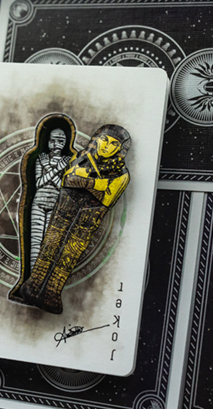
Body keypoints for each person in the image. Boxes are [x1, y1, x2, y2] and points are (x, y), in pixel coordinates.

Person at [19, 124, 131, 314]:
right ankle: (34, 285)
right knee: (50, 244)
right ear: (96, 140)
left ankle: (52, 293)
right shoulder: (81, 157)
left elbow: (107, 199)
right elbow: (69, 180)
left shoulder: (122, 174)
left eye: (113, 144)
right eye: (104, 140)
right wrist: (99, 185)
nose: (106, 146)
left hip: (89, 217)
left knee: (70, 254)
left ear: (121, 149)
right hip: (65, 207)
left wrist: (85, 182)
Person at [30, 128, 70, 269]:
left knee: (49, 243)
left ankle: (40, 277)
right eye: (52, 141)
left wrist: (48, 167)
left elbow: (61, 187)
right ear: (47, 142)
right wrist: (56, 168)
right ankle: (31, 276)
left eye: (60, 141)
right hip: (38, 203)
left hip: (55, 204)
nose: (56, 144)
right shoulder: (41, 159)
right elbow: (39, 183)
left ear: (65, 143)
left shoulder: (67, 162)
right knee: (35, 244)